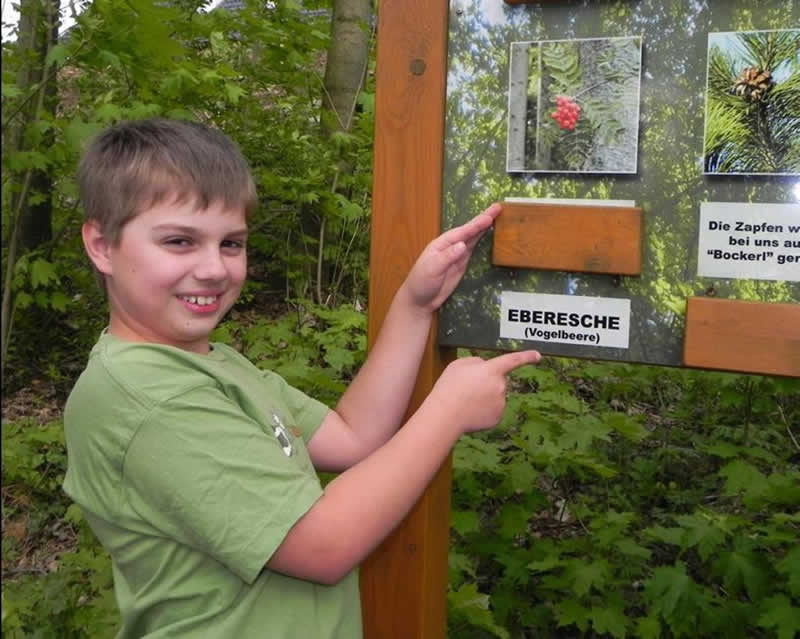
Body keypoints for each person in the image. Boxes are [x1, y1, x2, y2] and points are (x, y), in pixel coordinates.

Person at [62, 118, 541, 638]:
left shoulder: (216, 365)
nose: (215, 269)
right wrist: (447, 412)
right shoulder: (147, 398)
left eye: (231, 243)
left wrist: (414, 305)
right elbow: (323, 544)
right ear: (103, 245)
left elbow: (354, 436)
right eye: (179, 241)